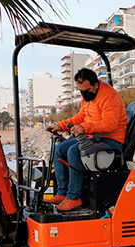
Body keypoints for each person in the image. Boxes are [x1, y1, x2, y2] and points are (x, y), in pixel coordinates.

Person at [46, 68, 127, 212]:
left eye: (87, 90)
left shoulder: (109, 96)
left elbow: (110, 124)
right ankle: (62, 192)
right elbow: (81, 116)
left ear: (96, 85)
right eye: (81, 91)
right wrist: (61, 125)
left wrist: (85, 128)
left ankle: (74, 197)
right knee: (60, 149)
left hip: (110, 140)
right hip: (94, 137)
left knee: (74, 151)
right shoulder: (88, 97)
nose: (84, 94)